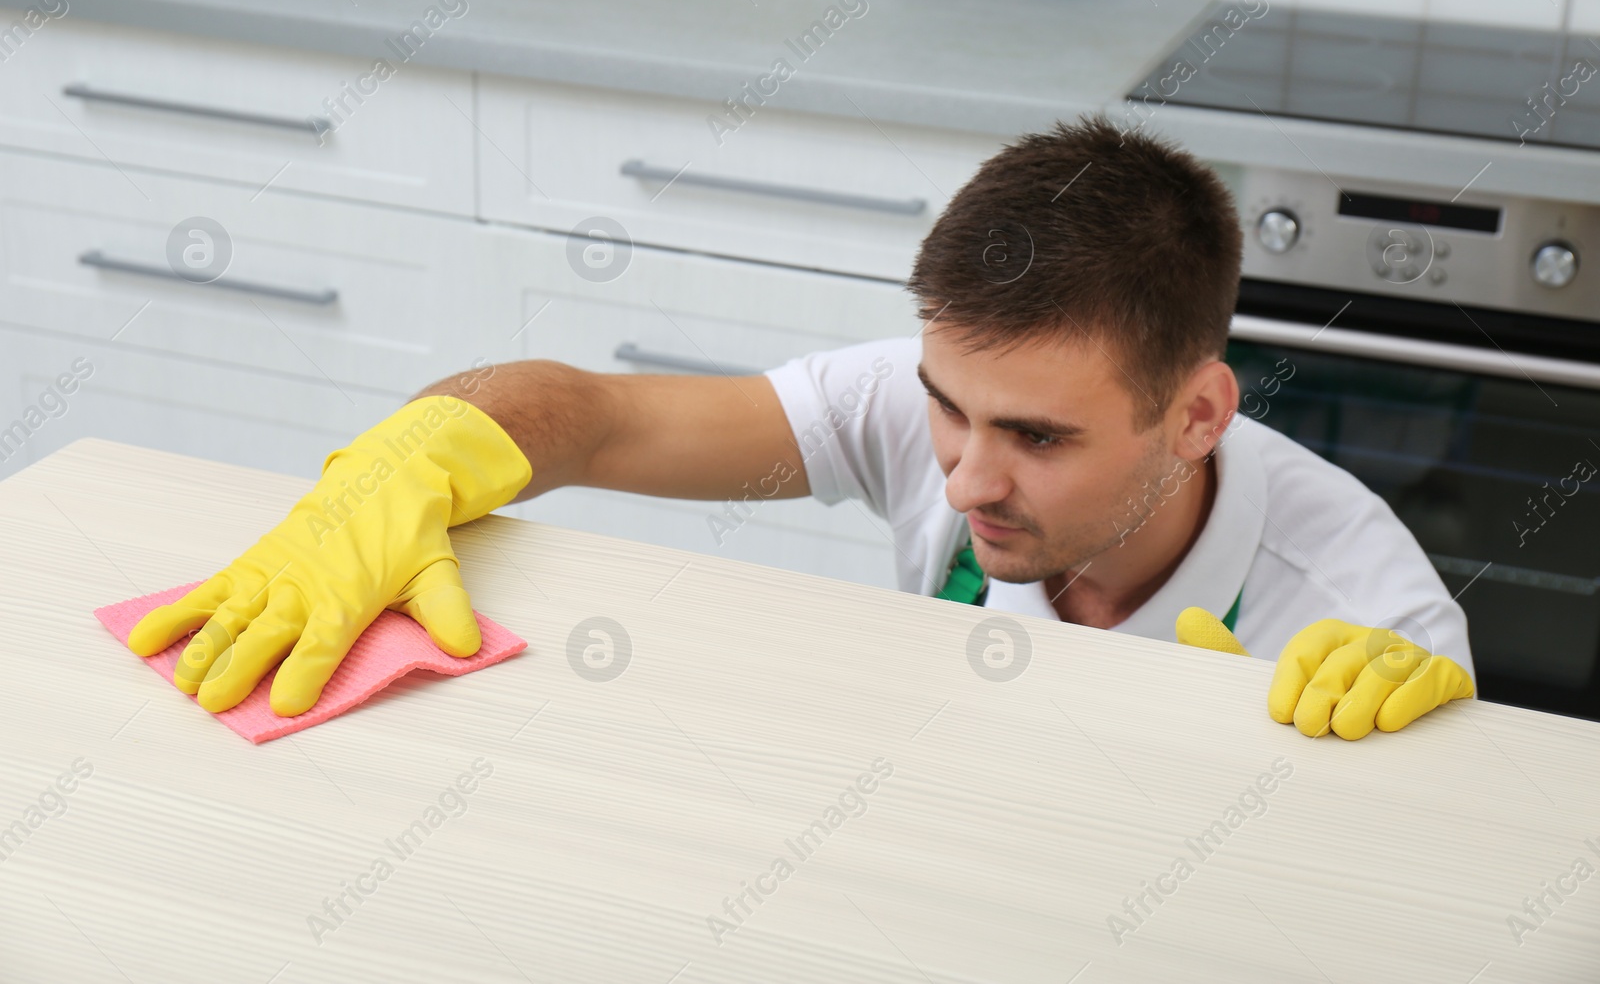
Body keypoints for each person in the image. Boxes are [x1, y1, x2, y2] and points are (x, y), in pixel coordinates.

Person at [126, 117, 1475, 739]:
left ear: (1196, 416)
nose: (966, 473)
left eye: (1039, 440)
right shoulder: (926, 412)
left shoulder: (1371, 621)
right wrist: (392, 475)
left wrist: (1425, 768)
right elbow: (587, 420)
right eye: (948, 407)